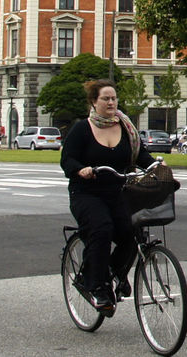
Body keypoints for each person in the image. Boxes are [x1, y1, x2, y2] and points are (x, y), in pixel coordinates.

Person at [60, 79, 157, 315]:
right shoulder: (82, 128)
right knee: (101, 228)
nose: (111, 102)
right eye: (105, 98)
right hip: (87, 192)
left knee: (132, 233)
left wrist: (155, 166)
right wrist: (80, 169)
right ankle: (97, 286)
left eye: (113, 98)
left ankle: (111, 273)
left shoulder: (126, 128)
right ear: (94, 102)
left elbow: (139, 154)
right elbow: (67, 159)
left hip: (118, 191)